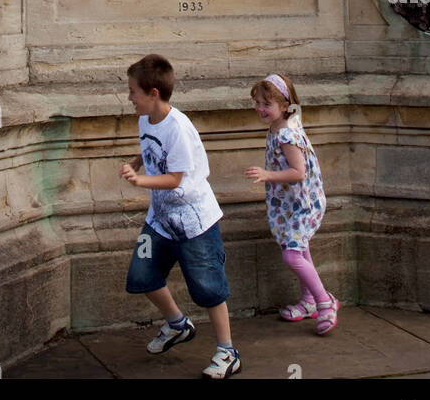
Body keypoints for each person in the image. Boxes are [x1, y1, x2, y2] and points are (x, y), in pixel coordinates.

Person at [120, 53, 241, 379]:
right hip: (160, 221)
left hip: (194, 222)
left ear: (153, 93)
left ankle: (227, 352)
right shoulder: (146, 118)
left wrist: (139, 180)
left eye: (133, 91)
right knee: (142, 276)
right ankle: (178, 325)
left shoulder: (180, 129)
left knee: (209, 288)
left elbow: (175, 177)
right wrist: (137, 163)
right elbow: (150, 148)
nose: (129, 97)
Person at [245, 72, 337, 334]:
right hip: (290, 205)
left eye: (266, 104)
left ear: (284, 106)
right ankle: (309, 301)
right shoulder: (280, 125)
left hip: (303, 205)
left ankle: (324, 301)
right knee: (300, 250)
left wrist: (267, 175)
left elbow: (298, 172)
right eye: (257, 103)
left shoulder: (286, 134)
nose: (259, 109)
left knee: (292, 255)